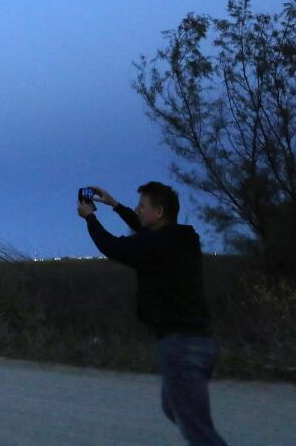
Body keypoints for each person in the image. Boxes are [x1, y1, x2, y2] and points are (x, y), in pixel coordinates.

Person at [80, 182, 230, 446]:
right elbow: (145, 232)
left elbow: (112, 247)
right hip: (199, 343)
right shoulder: (183, 239)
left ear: (158, 212)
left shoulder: (156, 245)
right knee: (174, 409)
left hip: (181, 347)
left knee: (199, 432)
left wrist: (90, 217)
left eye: (143, 205)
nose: (138, 209)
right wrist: (115, 205)